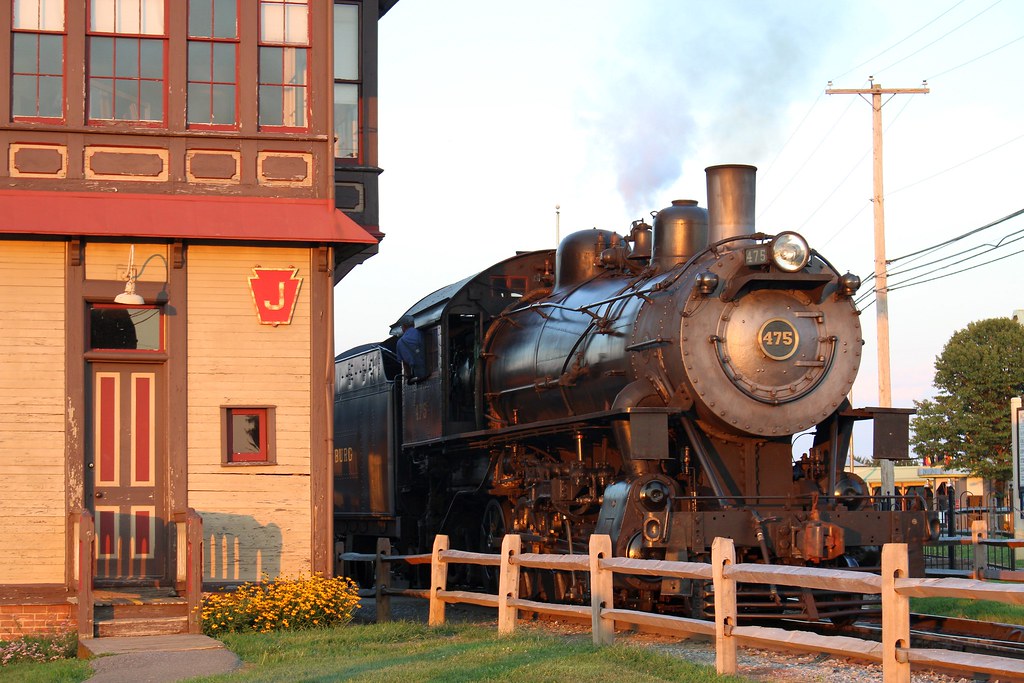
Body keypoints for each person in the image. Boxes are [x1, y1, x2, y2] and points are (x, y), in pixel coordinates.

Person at [395, 315, 427, 382]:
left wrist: (409, 376)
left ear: (404, 326)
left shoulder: (400, 342)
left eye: (401, 326)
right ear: (413, 324)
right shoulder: (421, 333)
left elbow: (405, 363)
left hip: (417, 372)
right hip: (428, 369)